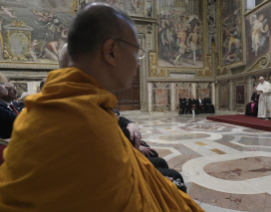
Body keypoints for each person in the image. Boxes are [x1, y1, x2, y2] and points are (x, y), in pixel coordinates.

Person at [0, 3, 203, 211]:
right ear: (111, 51)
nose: (138, 63)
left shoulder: (45, 109)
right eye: (136, 53)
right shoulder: (88, 127)